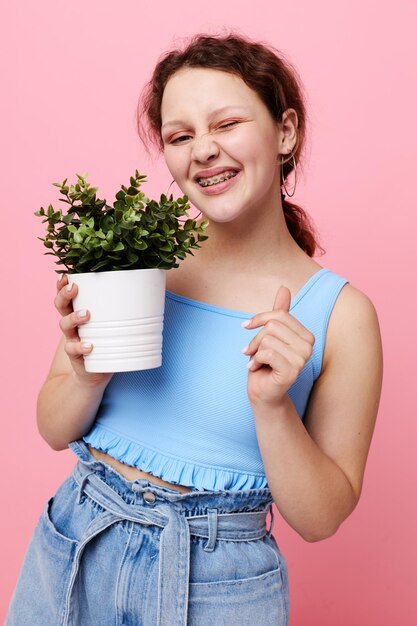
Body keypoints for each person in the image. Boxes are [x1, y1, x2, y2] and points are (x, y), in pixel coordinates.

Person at [6, 32, 383, 626]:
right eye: (180, 136)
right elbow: (54, 428)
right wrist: (87, 375)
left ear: (285, 132)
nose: (202, 150)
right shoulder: (136, 261)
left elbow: (321, 518)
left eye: (226, 123)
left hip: (217, 584)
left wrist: (273, 406)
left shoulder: (340, 314)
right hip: (77, 545)